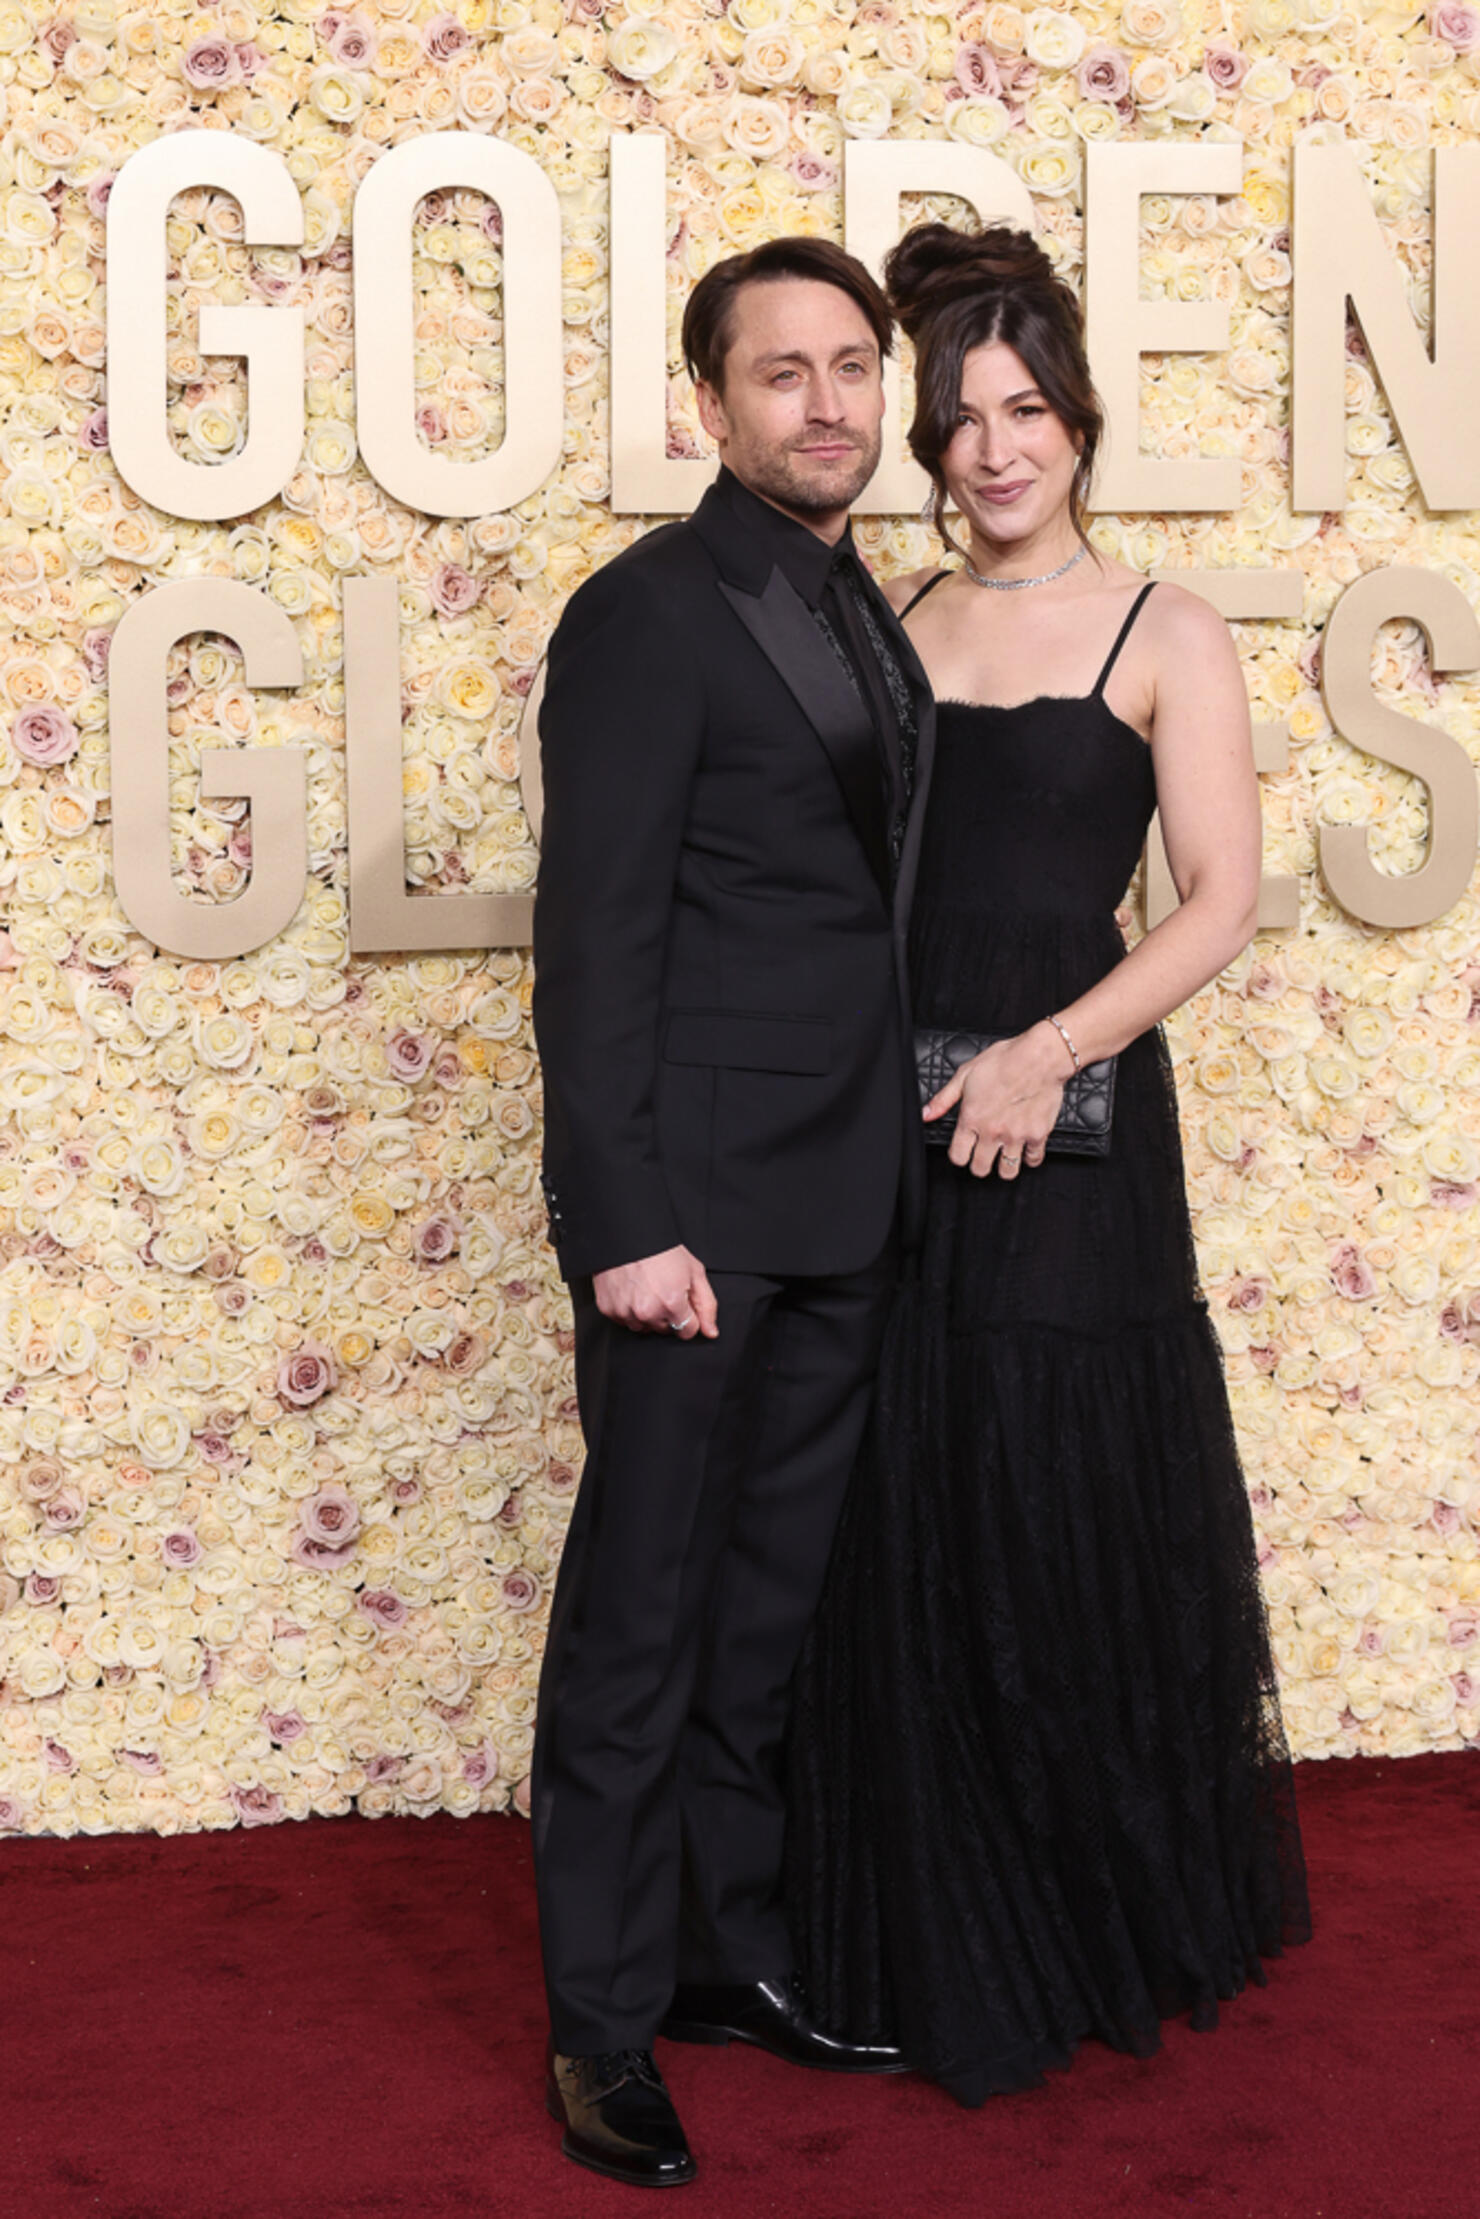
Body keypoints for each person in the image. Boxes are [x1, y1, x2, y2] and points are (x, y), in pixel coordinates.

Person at [786, 222, 1312, 2108]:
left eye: (1024, 410)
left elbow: (1221, 901)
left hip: (1070, 1125)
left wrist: (1048, 1051)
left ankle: (1090, 1913)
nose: (993, 449)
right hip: (893, 1123)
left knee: (1048, 1482)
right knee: (898, 1481)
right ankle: (920, 1918)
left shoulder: (1166, 630)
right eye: (957, 419)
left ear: (1078, 417)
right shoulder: (886, 620)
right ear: (925, 443)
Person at [530, 236, 938, 2186]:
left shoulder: (864, 603)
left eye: (849, 364)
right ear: (709, 404)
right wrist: (622, 1219)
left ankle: (718, 1953)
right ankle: (601, 2029)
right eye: (780, 373)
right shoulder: (647, 615)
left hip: (845, 1205)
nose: (825, 401)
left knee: (760, 1623)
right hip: (687, 1225)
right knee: (641, 1623)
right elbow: (591, 947)